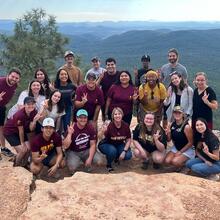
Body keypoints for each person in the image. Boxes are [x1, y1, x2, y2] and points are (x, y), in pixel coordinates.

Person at [3, 97, 41, 166]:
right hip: (10, 132)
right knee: (22, 150)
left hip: (20, 131)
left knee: (29, 148)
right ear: (24, 105)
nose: (31, 106)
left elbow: (31, 129)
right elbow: (21, 130)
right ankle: (16, 165)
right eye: (28, 104)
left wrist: (34, 121)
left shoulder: (33, 112)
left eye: (32, 104)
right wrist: (22, 143)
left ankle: (24, 164)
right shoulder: (20, 115)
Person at [63, 109, 103, 174]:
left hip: (86, 150)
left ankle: (87, 166)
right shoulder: (72, 128)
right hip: (74, 151)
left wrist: (90, 158)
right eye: (80, 117)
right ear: (76, 118)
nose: (83, 119)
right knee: (72, 167)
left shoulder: (90, 127)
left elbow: (93, 144)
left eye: (85, 118)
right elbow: (65, 146)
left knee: (100, 161)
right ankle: (76, 166)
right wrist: (69, 134)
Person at [98, 107, 132, 172]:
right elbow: (99, 137)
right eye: (115, 114)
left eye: (119, 114)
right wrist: (102, 131)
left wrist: (124, 151)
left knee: (128, 155)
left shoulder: (125, 125)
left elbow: (128, 139)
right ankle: (109, 164)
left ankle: (116, 157)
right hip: (106, 144)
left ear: (122, 115)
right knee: (112, 151)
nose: (117, 116)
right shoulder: (109, 125)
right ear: (113, 116)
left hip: (119, 144)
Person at [0, 68, 21, 158]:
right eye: (12, 76)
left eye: (16, 78)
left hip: (1, 107)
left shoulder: (15, 85)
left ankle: (3, 148)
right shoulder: (0, 81)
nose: (14, 79)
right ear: (8, 75)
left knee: (1, 128)